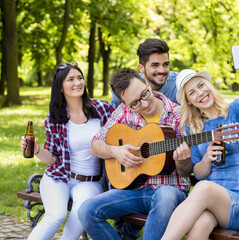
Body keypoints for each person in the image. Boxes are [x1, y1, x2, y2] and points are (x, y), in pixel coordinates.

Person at [161, 51, 239, 240]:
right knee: (198, 228)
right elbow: (199, 173)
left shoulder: (236, 111)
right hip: (212, 205)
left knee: (204, 188)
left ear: (208, 85)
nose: (200, 93)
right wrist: (206, 158)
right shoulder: (193, 129)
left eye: (201, 85)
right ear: (189, 101)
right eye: (192, 92)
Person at [78, 68, 193, 240]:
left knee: (165, 195)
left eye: (145, 94)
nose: (144, 104)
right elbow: (95, 145)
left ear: (147, 84)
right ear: (125, 104)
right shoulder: (124, 112)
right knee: (87, 211)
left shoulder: (179, 116)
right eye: (135, 103)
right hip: (135, 191)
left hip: (170, 190)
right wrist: (115, 151)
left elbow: (186, 171)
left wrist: (182, 161)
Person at [20, 62, 114, 240]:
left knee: (76, 222)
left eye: (79, 78)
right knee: (55, 216)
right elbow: (52, 160)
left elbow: (122, 130)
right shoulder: (55, 117)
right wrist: (37, 149)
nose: (77, 83)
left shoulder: (102, 108)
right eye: (70, 79)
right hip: (58, 177)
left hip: (90, 182)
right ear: (61, 87)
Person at [110, 38, 179, 109]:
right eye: (155, 65)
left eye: (166, 64)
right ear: (141, 68)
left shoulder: (180, 84)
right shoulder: (124, 89)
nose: (162, 70)